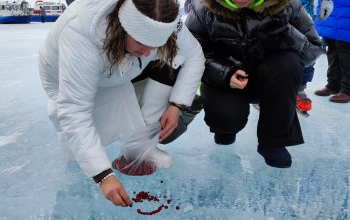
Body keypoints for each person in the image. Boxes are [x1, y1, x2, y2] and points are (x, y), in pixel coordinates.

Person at [38, 0, 204, 207]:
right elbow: (75, 110)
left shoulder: (163, 17)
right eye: (142, 43)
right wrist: (102, 175)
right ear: (122, 27)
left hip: (122, 69)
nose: (147, 52)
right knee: (79, 156)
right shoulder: (81, 34)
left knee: (174, 57)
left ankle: (140, 145)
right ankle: (92, 157)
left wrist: (177, 105)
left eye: (155, 45)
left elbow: (195, 55)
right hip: (68, 77)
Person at [185, 0, 323, 168]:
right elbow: (189, 53)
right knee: (225, 119)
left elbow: (313, 51)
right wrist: (224, 73)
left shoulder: (288, 5)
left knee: (289, 62)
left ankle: (273, 141)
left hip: (268, 79)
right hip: (224, 81)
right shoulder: (204, 7)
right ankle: (225, 128)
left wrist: (289, 35)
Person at [296, 0, 333, 113]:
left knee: (307, 51)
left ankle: (299, 90)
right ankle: (268, 89)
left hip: (305, 13)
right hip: (275, 8)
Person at [314, 0, 350, 103]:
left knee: (345, 50)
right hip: (331, 11)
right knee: (332, 48)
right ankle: (333, 85)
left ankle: (347, 90)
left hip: (346, 12)